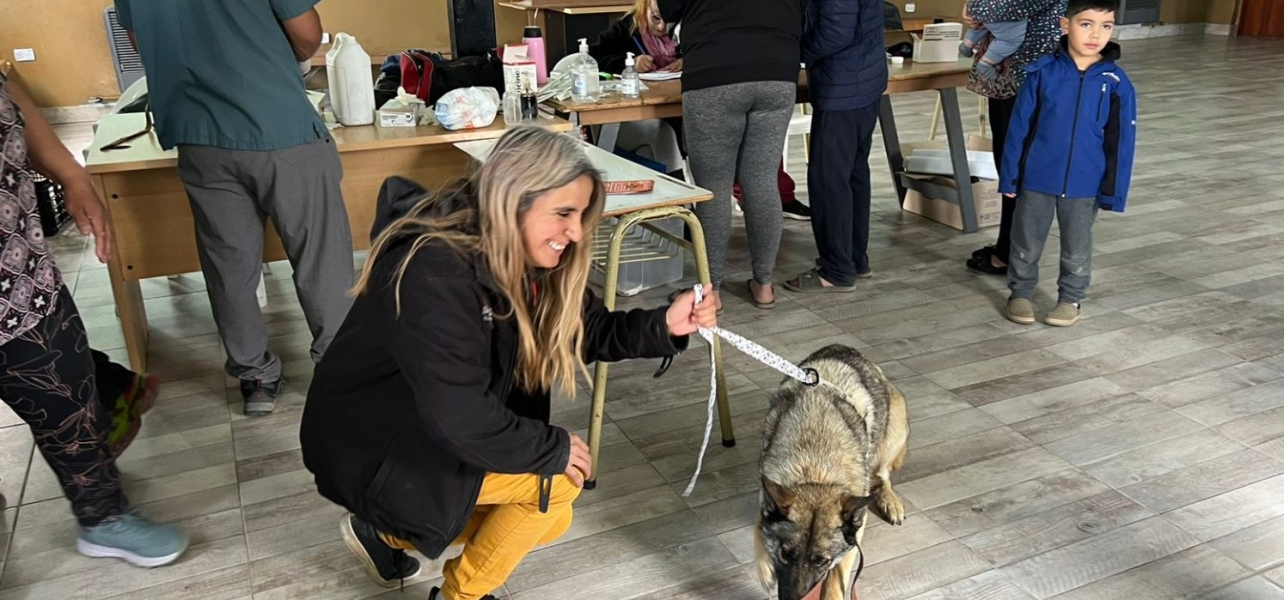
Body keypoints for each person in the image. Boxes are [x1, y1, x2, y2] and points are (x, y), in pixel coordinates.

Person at [299, 126, 717, 599]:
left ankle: (384, 533)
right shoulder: (436, 272)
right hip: (372, 448)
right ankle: (460, 594)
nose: (577, 232)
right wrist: (550, 448)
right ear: (512, 200)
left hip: (426, 431)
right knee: (553, 487)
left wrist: (666, 324)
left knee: (551, 507)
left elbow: (586, 331)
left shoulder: (527, 257)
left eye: (580, 215)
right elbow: (460, 417)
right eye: (563, 214)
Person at [113, 0, 355, 416]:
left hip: (199, 135)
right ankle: (337, 372)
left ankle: (255, 377)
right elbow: (307, 33)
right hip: (279, 125)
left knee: (229, 263)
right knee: (321, 257)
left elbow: (140, 40)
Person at [0, 69, 187, 567]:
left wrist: (74, 175)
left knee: (68, 399)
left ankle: (103, 518)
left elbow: (8, 92)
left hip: (21, 282)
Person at [658, 0, 806, 311]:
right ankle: (763, 285)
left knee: (713, 188)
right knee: (762, 180)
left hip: (715, 71)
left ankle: (711, 291)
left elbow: (667, 8)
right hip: (778, 71)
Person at [1000, 0, 1136, 327]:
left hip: (1085, 184)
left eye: (1106, 26)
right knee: (1025, 243)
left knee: (1077, 248)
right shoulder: (1041, 72)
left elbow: (1121, 143)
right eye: (1086, 24)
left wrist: (1112, 192)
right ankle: (1020, 293)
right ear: (1065, 25)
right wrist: (1010, 178)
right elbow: (1019, 129)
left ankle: (1071, 299)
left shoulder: (1117, 83)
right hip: (1037, 179)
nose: (1096, 34)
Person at [784, 0, 888, 294]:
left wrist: (794, 50)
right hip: (863, 79)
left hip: (842, 85)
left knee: (829, 179)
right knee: (853, 174)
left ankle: (836, 269)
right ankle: (855, 260)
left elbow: (836, 31)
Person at [961, 0, 1068, 277]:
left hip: (1030, 75)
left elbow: (1016, 6)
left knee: (1016, 164)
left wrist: (976, 8)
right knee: (1009, 161)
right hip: (1018, 72)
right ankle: (1006, 247)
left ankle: (1010, 255)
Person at [590, 0, 683, 74]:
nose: (661, 27)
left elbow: (696, 55)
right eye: (656, 17)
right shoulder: (625, 29)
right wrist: (630, 64)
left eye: (670, 20)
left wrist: (688, 61)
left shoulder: (687, 28)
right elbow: (589, 58)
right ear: (644, 6)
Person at [959, 4, 1027, 83]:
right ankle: (986, 63)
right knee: (1008, 41)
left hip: (984, 6)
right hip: (1007, 12)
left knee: (983, 23)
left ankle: (968, 43)